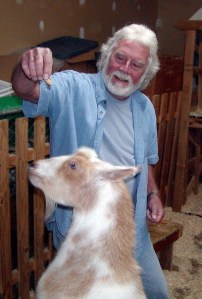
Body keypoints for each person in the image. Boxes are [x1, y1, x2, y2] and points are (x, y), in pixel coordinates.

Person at [11, 24, 170, 299]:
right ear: (107, 55)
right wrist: (26, 68)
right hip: (83, 236)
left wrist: (153, 193)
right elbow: (25, 89)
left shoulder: (145, 108)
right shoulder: (74, 87)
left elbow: (146, 160)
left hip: (132, 233)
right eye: (120, 57)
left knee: (157, 294)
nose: (124, 68)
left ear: (145, 74)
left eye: (136, 65)